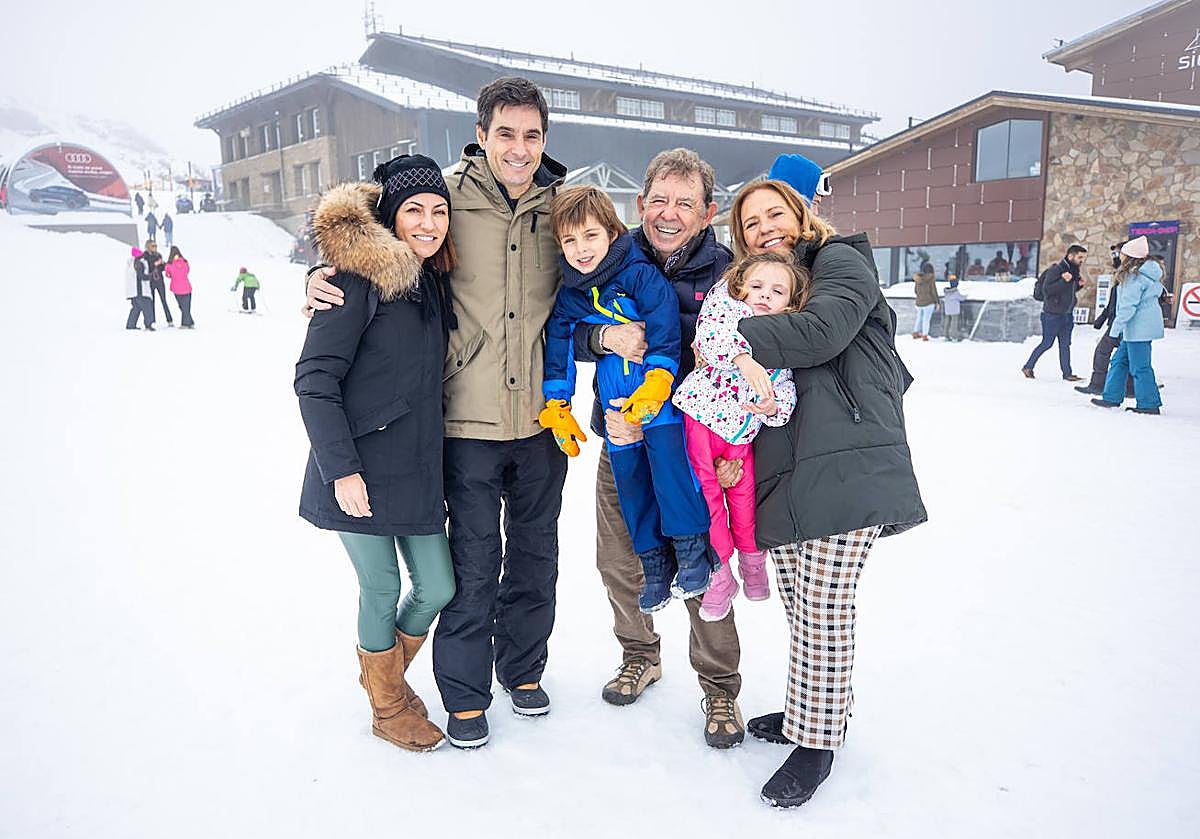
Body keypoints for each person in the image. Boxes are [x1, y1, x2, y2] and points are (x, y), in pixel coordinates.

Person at [305, 78, 568, 750]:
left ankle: (521, 670)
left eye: (531, 134)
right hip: (461, 425)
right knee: (470, 567)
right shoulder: (447, 194)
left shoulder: (557, 205)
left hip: (539, 422)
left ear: (544, 139)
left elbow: (603, 279)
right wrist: (318, 273)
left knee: (533, 560)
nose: (518, 147)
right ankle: (456, 696)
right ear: (480, 134)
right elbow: (377, 229)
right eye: (504, 133)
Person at [728, 178, 926, 807]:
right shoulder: (769, 283)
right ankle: (802, 712)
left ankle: (817, 744)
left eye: (774, 214)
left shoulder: (840, 259)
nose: (765, 228)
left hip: (846, 459)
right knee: (800, 603)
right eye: (751, 223)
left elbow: (823, 331)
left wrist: (729, 335)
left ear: (801, 213)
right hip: (792, 464)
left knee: (825, 607)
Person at [569, 149, 748, 746]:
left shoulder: (729, 275)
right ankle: (640, 652)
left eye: (684, 203)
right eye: (659, 201)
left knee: (702, 567)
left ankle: (720, 689)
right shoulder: (614, 256)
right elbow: (562, 321)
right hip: (621, 435)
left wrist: (731, 449)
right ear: (640, 204)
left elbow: (750, 361)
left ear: (708, 212)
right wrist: (602, 336)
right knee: (618, 560)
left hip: (696, 449)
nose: (669, 214)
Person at [296, 154, 457, 752]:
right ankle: (387, 706)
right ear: (389, 216)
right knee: (382, 587)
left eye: (439, 210)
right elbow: (314, 378)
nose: (428, 222)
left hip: (414, 469)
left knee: (438, 586)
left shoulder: (429, 282)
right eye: (414, 209)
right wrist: (342, 471)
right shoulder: (352, 281)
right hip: (355, 470)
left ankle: (381, 674)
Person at [541, 185, 714, 613]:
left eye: (590, 236)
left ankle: (691, 552)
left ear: (612, 231)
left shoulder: (637, 272)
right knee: (631, 484)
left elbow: (663, 322)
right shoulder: (572, 291)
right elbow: (559, 343)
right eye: (570, 240)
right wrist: (558, 402)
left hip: (659, 401)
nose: (581, 249)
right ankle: (654, 565)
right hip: (617, 405)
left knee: (671, 477)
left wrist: (658, 379)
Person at [672, 252, 803, 621]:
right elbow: (710, 338)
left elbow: (788, 386)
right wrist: (743, 359)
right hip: (701, 421)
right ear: (742, 286)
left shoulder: (784, 336)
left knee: (744, 499)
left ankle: (752, 558)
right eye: (757, 286)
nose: (764, 295)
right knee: (709, 501)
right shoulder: (729, 310)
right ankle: (720, 573)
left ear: (790, 302)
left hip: (742, 434)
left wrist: (774, 407)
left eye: (777, 291)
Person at [1090, 236, 1165, 415]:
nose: (1119, 256)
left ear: (1130, 256)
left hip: (1138, 328)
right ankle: (1111, 397)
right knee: (1119, 361)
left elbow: (1127, 308)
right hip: (1138, 328)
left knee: (1140, 366)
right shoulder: (1149, 274)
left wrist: (1113, 332)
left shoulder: (1135, 277)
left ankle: (1149, 404)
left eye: (1122, 253)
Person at [1022, 244, 1087, 381]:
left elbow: (1067, 293)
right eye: (1080, 257)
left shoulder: (1073, 271)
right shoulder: (1056, 270)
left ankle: (1067, 373)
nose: (1082, 260)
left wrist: (1078, 286)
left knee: (1065, 345)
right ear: (1070, 256)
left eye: (1083, 258)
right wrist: (1064, 281)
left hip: (1067, 315)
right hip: (1052, 315)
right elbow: (1047, 291)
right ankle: (1028, 366)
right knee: (1047, 343)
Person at [142, 241, 173, 326]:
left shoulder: (158, 255)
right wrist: (155, 264)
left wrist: (163, 264)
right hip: (151, 281)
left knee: (164, 300)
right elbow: (146, 268)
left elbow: (162, 268)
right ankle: (152, 320)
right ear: (148, 246)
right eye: (153, 246)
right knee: (151, 301)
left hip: (159, 280)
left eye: (155, 246)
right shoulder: (145, 256)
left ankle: (169, 320)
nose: (155, 247)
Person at [163, 246, 195, 329]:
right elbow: (187, 271)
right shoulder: (185, 261)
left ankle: (185, 323)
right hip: (187, 287)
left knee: (182, 306)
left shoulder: (169, 264)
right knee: (186, 306)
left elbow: (167, 274)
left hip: (176, 288)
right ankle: (190, 322)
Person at [125, 245, 154, 330]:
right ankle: (148, 325)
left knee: (136, 308)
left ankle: (131, 325)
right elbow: (141, 276)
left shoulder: (131, 263)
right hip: (140, 291)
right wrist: (150, 276)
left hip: (133, 291)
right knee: (147, 307)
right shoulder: (140, 263)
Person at [912, 262, 939, 340]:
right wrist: (937, 302)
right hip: (928, 302)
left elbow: (916, 291)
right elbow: (933, 291)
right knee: (926, 319)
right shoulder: (931, 278)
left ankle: (915, 332)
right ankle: (925, 335)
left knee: (919, 318)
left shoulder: (918, 278)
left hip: (919, 302)